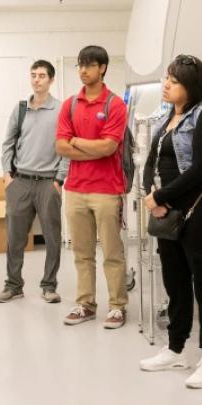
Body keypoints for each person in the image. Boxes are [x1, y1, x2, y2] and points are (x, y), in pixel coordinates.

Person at [136, 55, 202, 389]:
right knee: (174, 282)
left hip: (197, 213)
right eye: (166, 79)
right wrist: (151, 195)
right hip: (167, 212)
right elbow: (150, 161)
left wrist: (160, 198)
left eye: (173, 81)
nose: (166, 84)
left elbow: (200, 168)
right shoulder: (166, 117)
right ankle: (175, 348)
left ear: (191, 85)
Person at [55, 45, 130, 329]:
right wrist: (92, 148)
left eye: (89, 65)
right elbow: (60, 146)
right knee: (82, 252)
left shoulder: (114, 105)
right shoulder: (70, 105)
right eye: (80, 65)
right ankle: (85, 303)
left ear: (103, 68)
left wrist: (77, 142)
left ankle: (117, 306)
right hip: (75, 189)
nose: (83, 70)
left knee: (112, 251)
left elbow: (110, 146)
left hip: (107, 190)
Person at [0, 59, 68, 304]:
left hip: (49, 183)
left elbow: (67, 148)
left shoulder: (61, 110)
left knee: (52, 237)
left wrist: (60, 180)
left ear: (51, 80)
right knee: (15, 237)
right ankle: (14, 285)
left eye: (41, 76)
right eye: (33, 75)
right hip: (20, 182)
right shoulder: (21, 108)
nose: (36, 79)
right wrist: (7, 174)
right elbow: (8, 142)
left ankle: (49, 286)